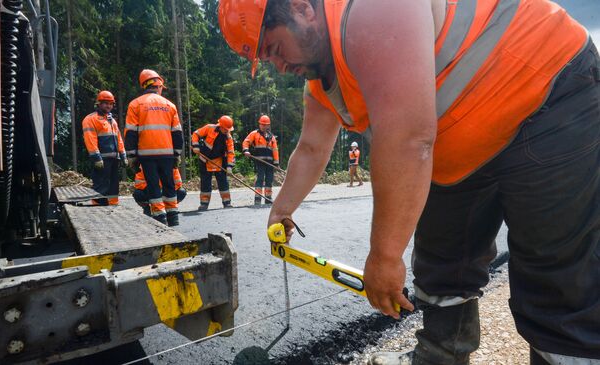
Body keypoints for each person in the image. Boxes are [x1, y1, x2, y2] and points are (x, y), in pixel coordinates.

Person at [218, 0, 600, 364]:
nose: (280, 66)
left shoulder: (369, 10)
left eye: (276, 49)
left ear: (302, 9)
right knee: (443, 258)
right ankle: (441, 355)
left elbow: (407, 140)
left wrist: (384, 258)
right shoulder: (321, 83)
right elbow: (312, 148)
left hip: (547, 93)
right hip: (460, 141)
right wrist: (280, 211)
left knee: (558, 276)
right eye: (269, 60)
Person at [124, 69, 183, 226]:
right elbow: (177, 133)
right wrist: (177, 154)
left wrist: (132, 156)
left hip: (146, 155)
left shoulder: (135, 104)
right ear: (159, 85)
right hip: (167, 154)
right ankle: (173, 216)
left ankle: (159, 217)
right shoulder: (169, 105)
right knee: (169, 184)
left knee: (153, 186)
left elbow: (130, 133)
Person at [81, 90, 127, 206]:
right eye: (106, 103)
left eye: (111, 103)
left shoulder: (112, 120)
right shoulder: (90, 119)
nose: (109, 106)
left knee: (113, 184)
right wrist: (96, 158)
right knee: (101, 184)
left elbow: (119, 139)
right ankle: (97, 207)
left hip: (114, 159)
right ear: (99, 103)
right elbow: (90, 139)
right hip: (101, 159)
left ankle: (113, 205)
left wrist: (123, 155)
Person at [191, 116, 236, 210]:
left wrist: (229, 166)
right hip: (205, 159)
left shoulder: (228, 137)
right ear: (221, 126)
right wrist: (195, 145)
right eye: (226, 129)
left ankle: (227, 202)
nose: (227, 131)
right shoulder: (209, 128)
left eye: (228, 129)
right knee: (205, 182)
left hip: (219, 161)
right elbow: (195, 134)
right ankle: (204, 204)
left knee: (223, 182)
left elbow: (231, 152)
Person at [242, 115, 280, 205]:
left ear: (268, 126)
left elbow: (275, 150)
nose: (263, 126)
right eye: (262, 124)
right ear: (259, 124)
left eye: (265, 125)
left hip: (270, 163)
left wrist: (276, 163)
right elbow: (246, 142)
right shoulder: (254, 134)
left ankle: (268, 198)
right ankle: (258, 199)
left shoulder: (272, 137)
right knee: (260, 179)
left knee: (269, 180)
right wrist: (246, 150)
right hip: (259, 161)